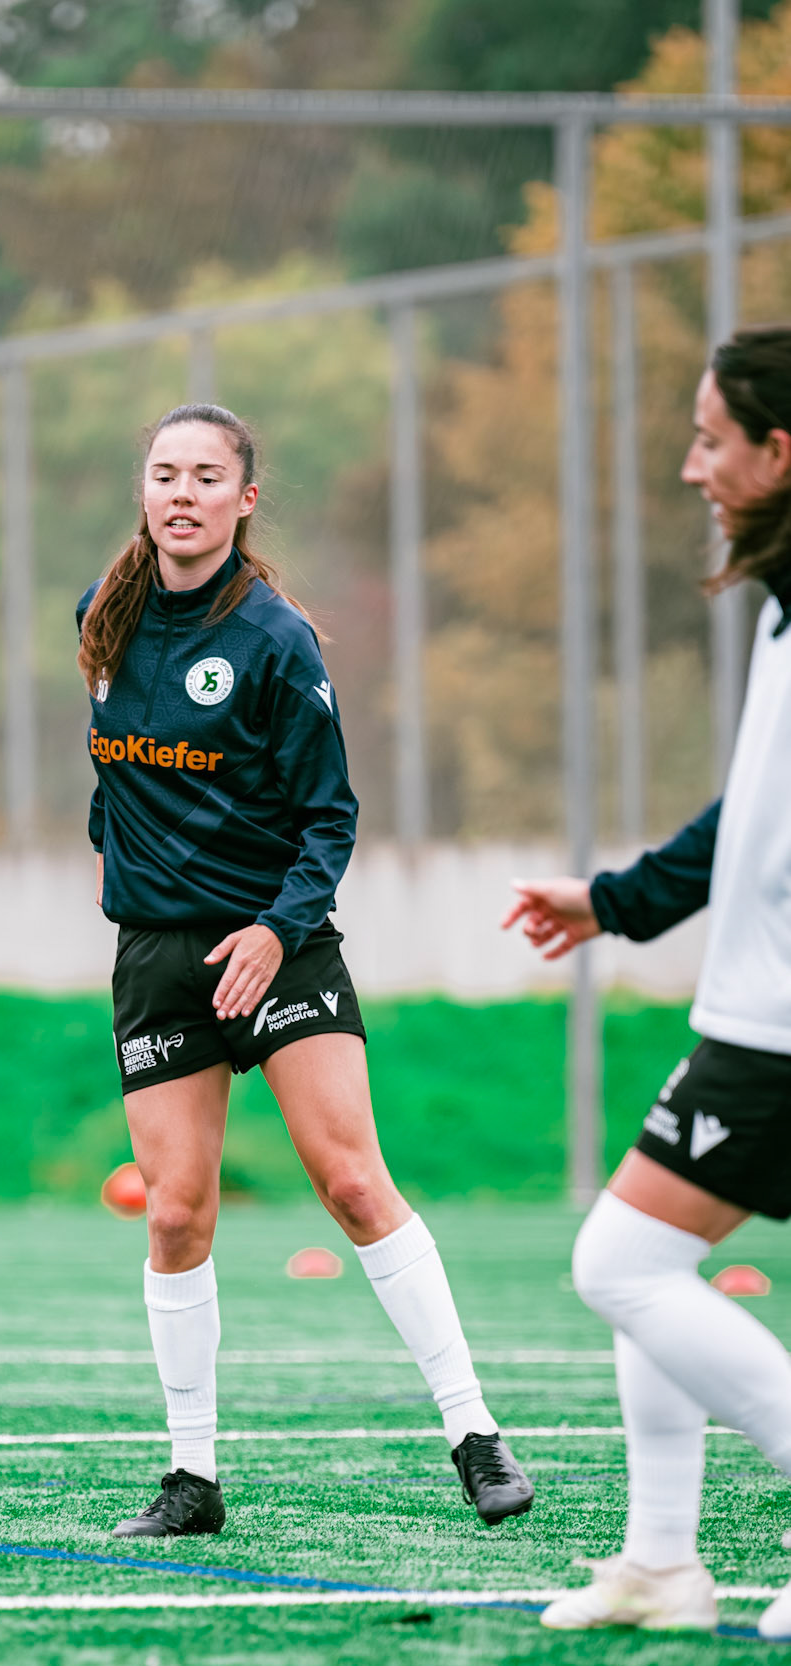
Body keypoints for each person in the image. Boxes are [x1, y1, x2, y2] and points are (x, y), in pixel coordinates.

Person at [80, 401, 534, 1539]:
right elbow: (117, 782)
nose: (181, 493)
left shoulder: (277, 639)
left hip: (278, 943)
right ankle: (192, 1480)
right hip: (158, 956)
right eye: (163, 473)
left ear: (244, 499)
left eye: (205, 476)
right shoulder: (101, 619)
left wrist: (278, 930)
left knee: (350, 1180)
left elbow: (331, 817)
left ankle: (475, 1433)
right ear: (143, 491)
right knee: (176, 1212)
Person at [504, 326, 791, 1640]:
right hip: (752, 1007)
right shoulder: (782, 602)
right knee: (647, 1254)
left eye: (710, 440)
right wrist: (617, 900)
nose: (692, 467)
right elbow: (756, 813)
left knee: (620, 1261)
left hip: (780, 1021)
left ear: (779, 452)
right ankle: (662, 1563)